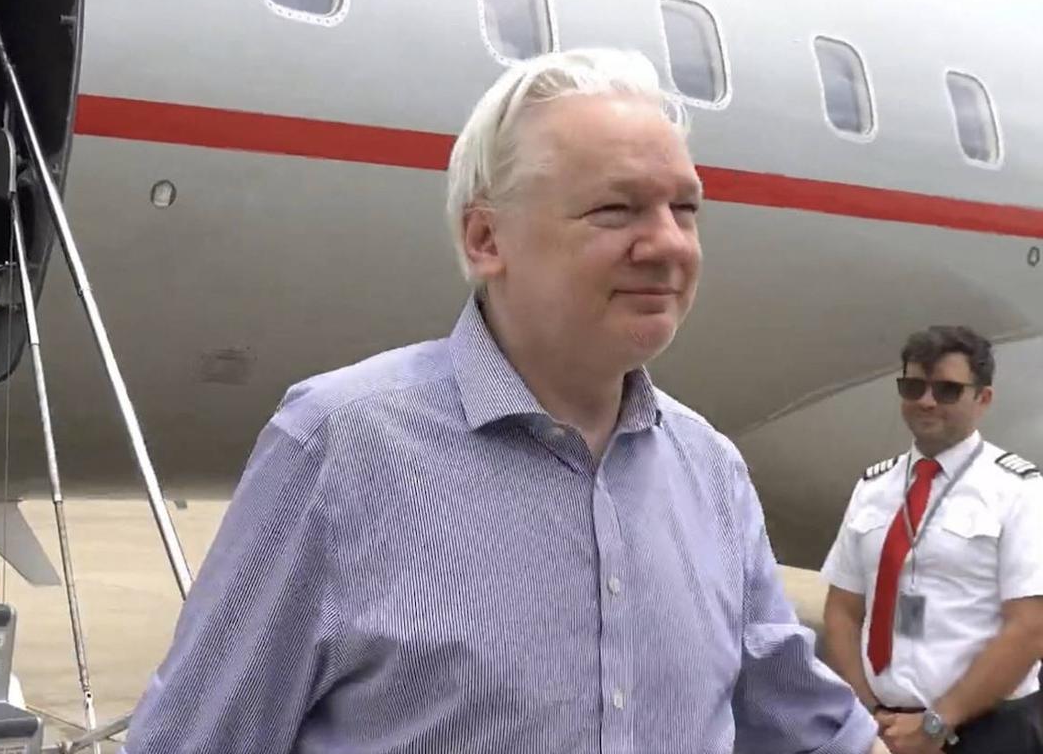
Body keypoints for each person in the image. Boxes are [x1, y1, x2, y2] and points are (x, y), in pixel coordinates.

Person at [124, 48, 885, 753]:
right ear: (487, 239)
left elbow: (810, 725)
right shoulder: (340, 448)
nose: (669, 246)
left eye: (685, 210)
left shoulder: (710, 473)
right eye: (615, 211)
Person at [821, 326, 1043, 753]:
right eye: (914, 386)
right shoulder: (874, 487)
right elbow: (843, 611)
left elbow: (1030, 628)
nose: (926, 400)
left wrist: (937, 725)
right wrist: (867, 711)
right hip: (884, 729)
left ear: (983, 399)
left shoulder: (1019, 490)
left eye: (947, 390)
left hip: (988, 731)